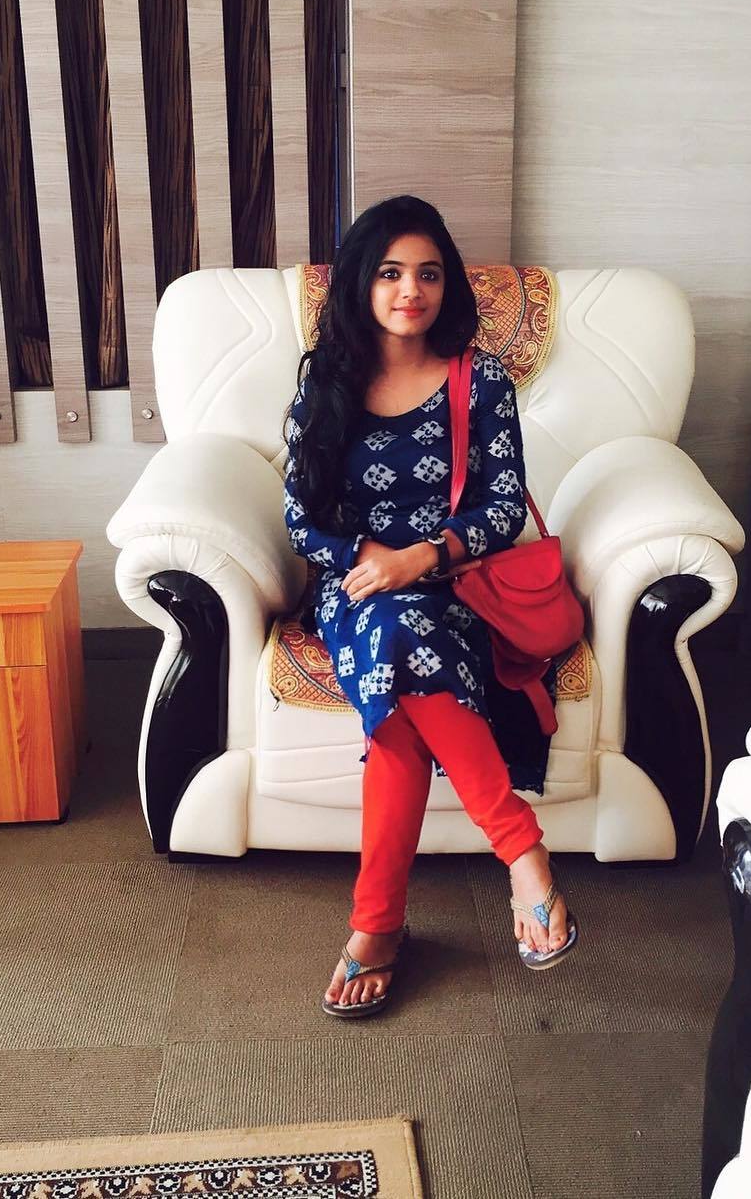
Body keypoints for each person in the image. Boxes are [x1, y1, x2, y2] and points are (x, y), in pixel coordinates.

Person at [283, 194, 578, 1019]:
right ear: (360, 283)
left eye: (428, 274)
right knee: (391, 632)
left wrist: (422, 557)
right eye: (389, 273)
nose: (409, 290)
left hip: (453, 586)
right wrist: (367, 561)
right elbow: (301, 518)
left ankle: (377, 927)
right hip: (354, 589)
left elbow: (503, 507)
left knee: (401, 677)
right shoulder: (327, 382)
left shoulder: (478, 381)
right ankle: (521, 851)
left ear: (448, 286)